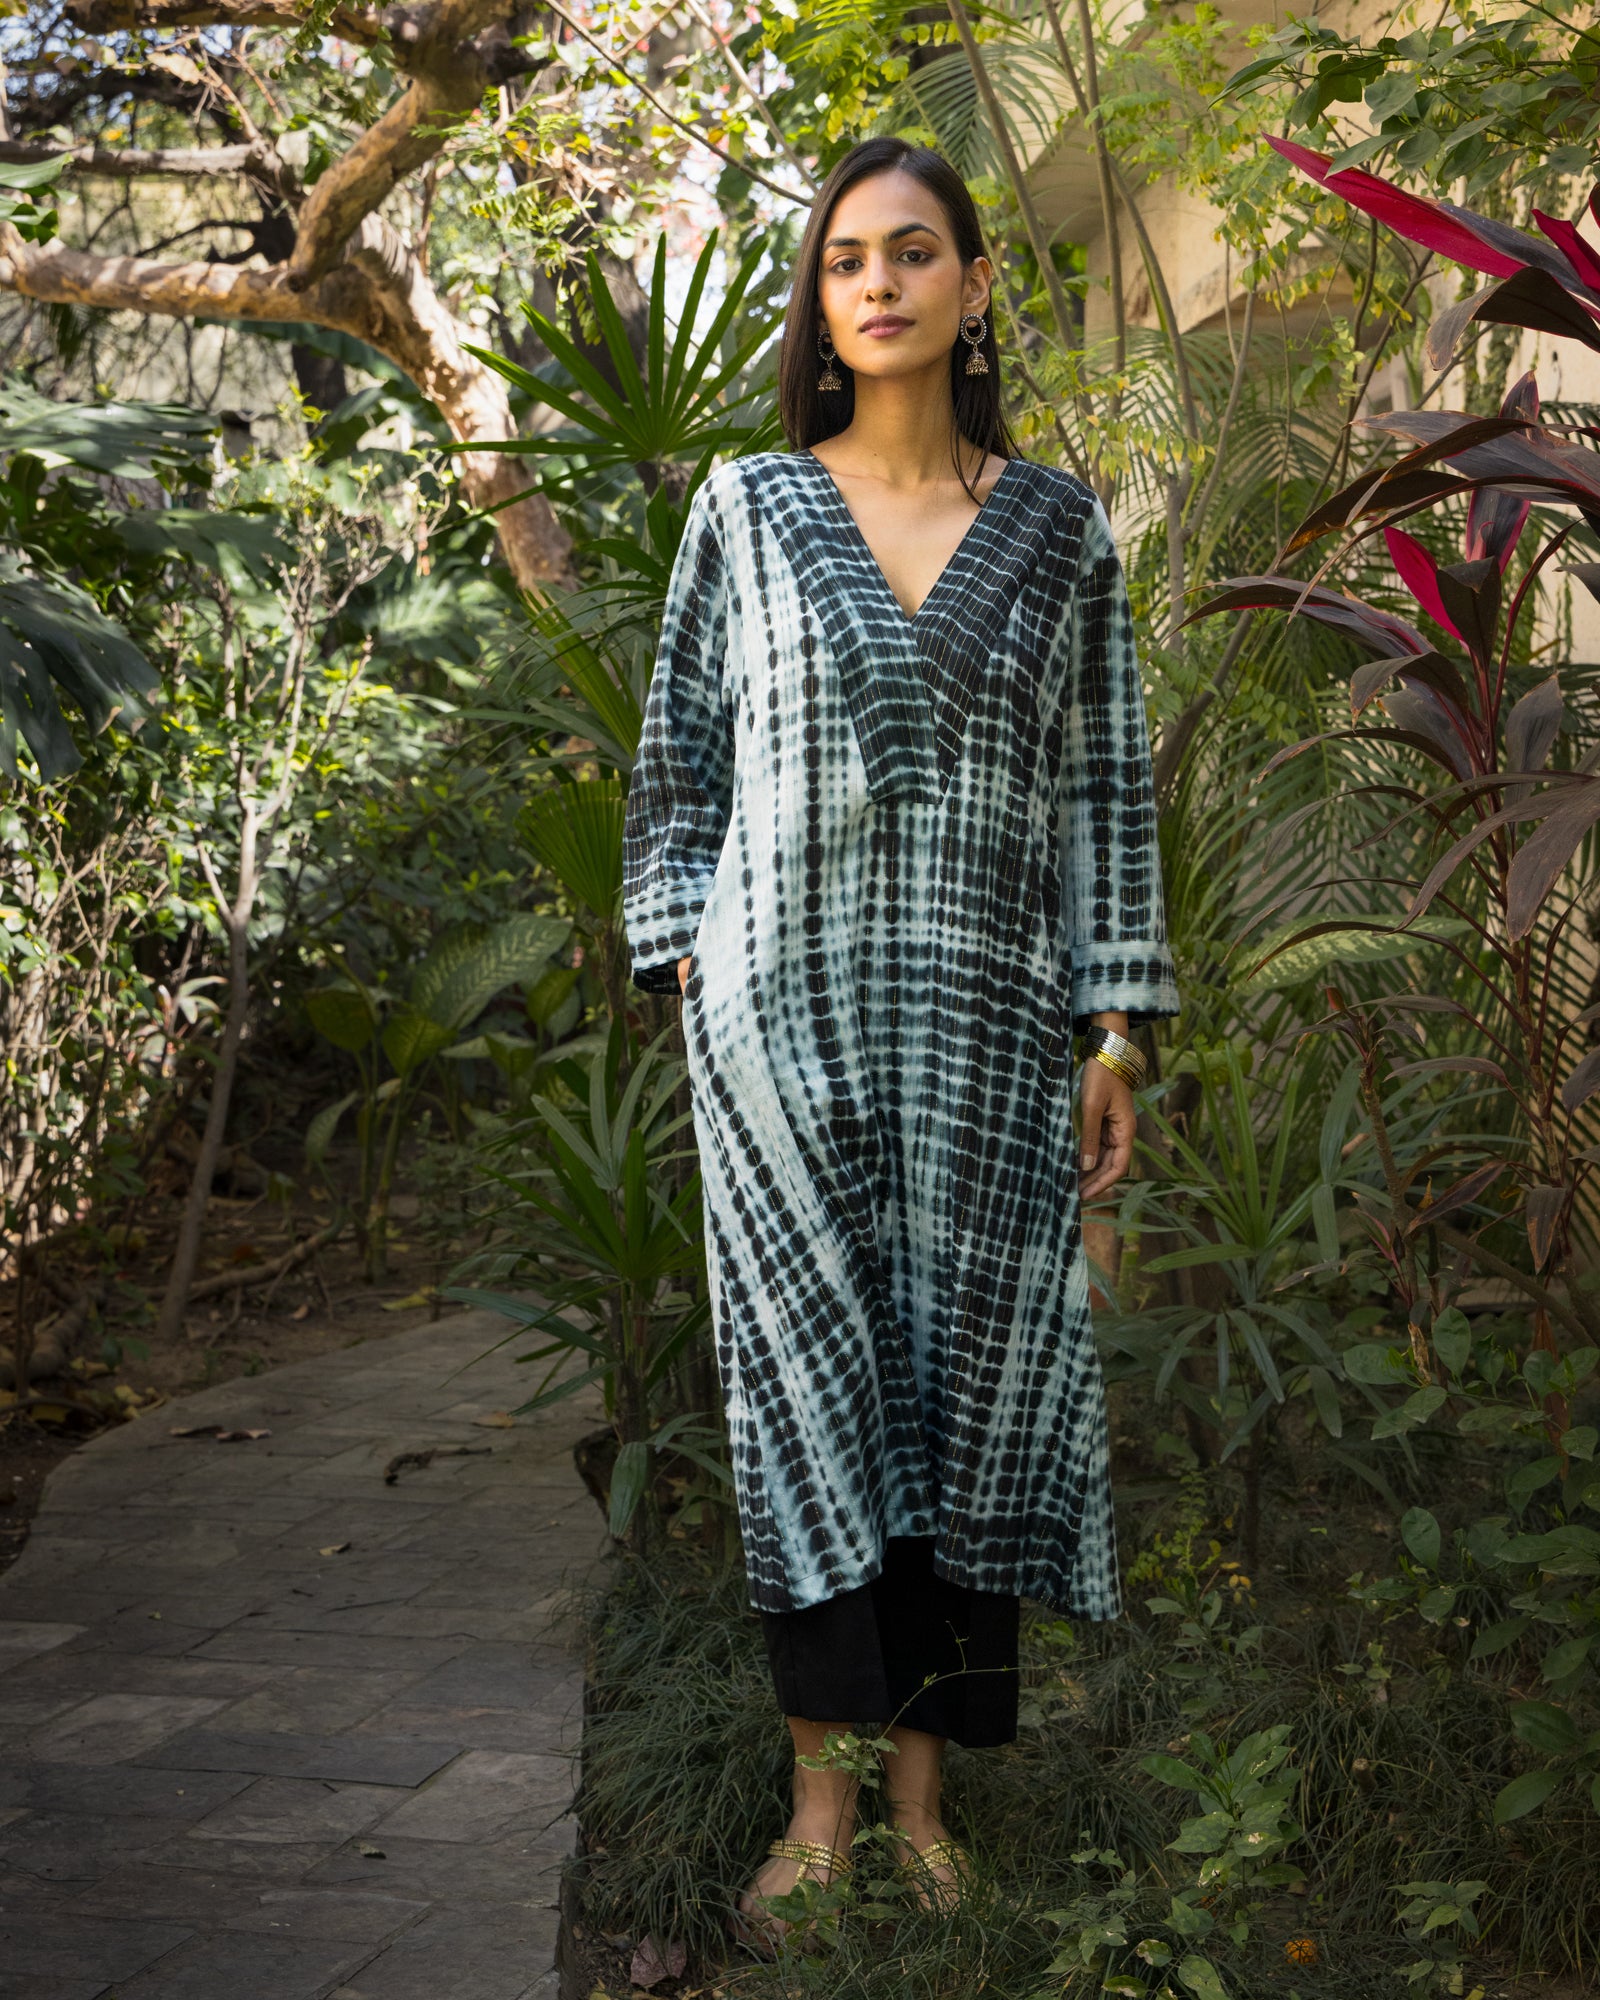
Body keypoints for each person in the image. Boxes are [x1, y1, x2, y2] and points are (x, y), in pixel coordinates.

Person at [620, 135, 1179, 1947]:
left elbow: (1106, 789)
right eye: (847, 257)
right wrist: (695, 980)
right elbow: (677, 774)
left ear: (975, 284)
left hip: (993, 1046)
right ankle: (818, 1809)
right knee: (808, 1408)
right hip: (778, 1045)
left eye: (915, 250)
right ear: (821, 297)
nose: (877, 282)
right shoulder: (747, 510)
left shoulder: (1061, 532)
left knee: (971, 1406)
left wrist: (1115, 1030)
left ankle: (926, 1809)